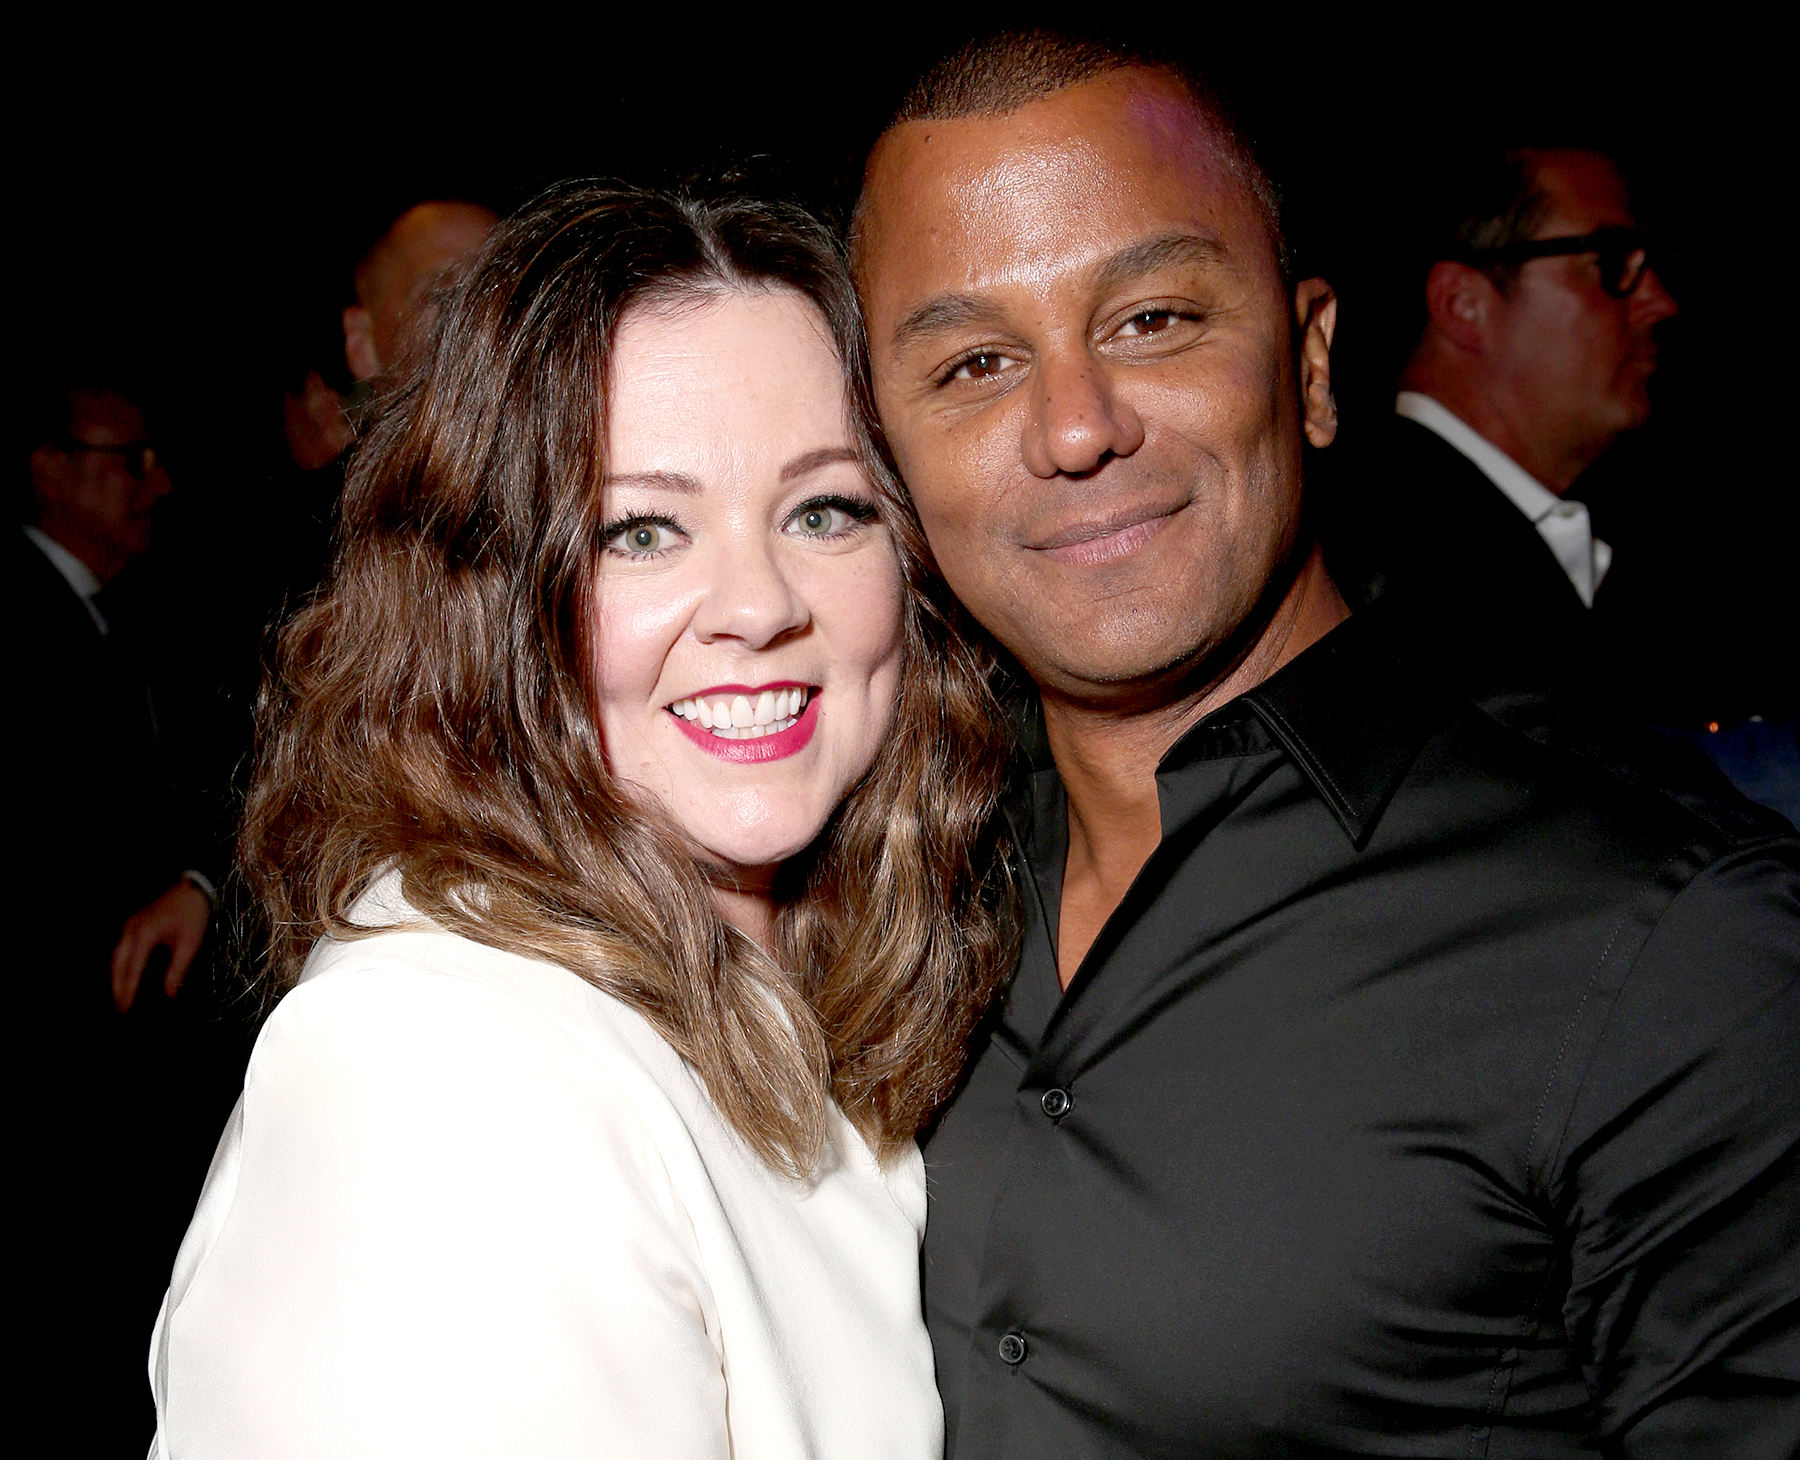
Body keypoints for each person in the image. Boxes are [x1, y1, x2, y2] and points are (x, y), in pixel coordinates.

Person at [851, 31, 1800, 1457]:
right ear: (894, 460)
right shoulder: (886, 903)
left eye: (1152, 320)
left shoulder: (1666, 941)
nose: (1074, 427)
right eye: (976, 363)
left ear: (1306, 364)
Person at [146, 181, 1016, 1458]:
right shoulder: (437, 1078)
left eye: (824, 508)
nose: (759, 602)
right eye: (642, 529)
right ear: (492, 603)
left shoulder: (806, 988)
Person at [1321, 146, 1679, 677]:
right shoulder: (1389, 566)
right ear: (1462, 303)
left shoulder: (1458, 547)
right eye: (1608, 261)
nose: (1660, 302)